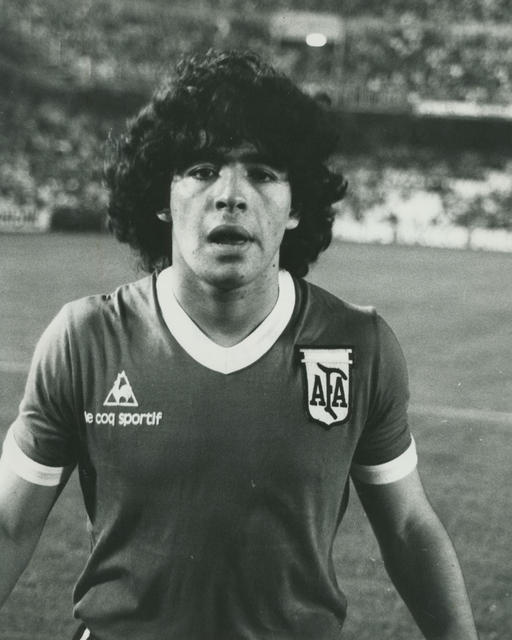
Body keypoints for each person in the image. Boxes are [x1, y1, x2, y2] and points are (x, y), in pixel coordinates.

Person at [0, 50, 478, 640]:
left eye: (263, 172)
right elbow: (10, 524)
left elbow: (407, 528)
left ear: (296, 206)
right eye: (202, 169)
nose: (230, 194)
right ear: (162, 197)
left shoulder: (359, 345)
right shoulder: (84, 339)